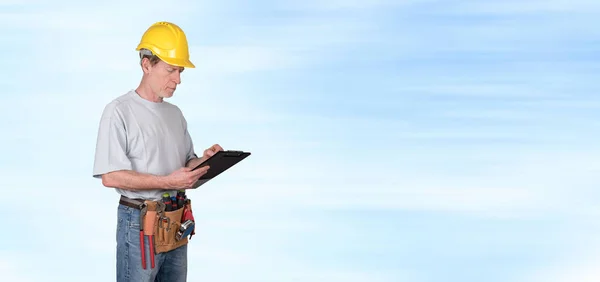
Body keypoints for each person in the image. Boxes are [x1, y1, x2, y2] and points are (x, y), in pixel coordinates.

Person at [92, 21, 222, 282]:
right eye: (171, 70)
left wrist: (205, 162)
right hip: (140, 223)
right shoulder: (119, 111)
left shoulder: (175, 114)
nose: (178, 79)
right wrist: (167, 182)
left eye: (180, 71)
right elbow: (111, 177)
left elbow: (186, 162)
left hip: (175, 221)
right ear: (146, 64)